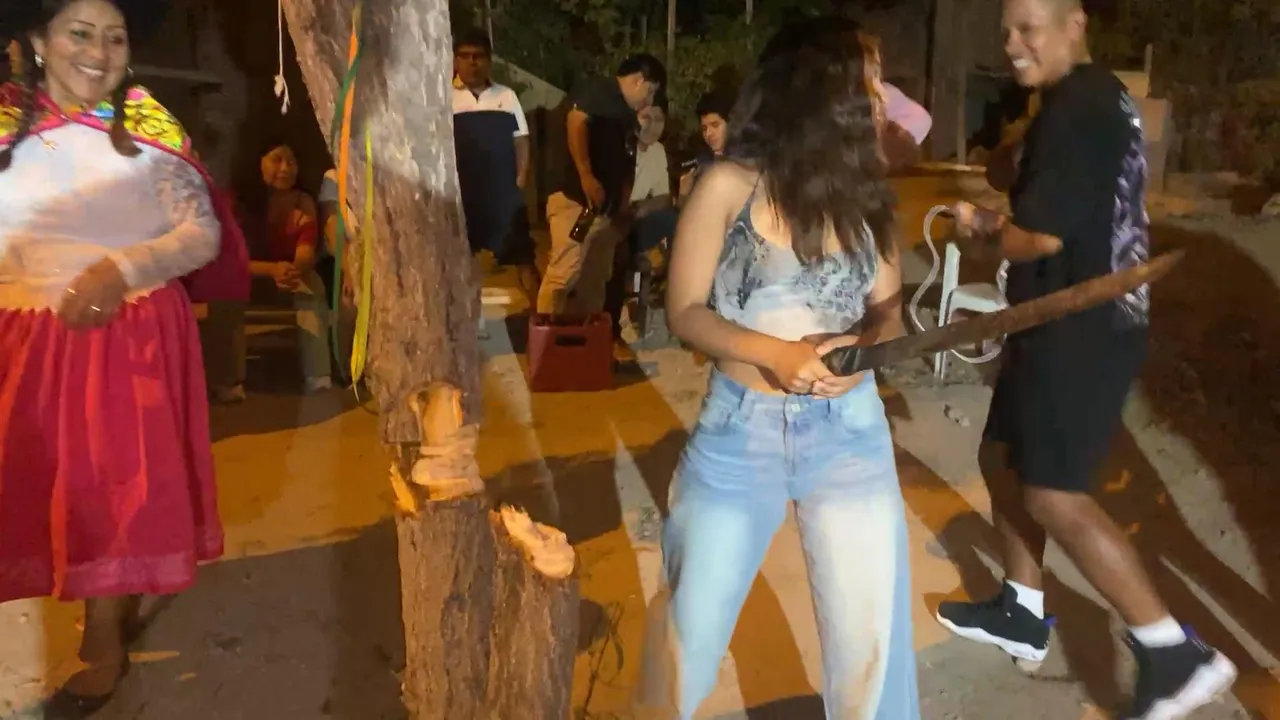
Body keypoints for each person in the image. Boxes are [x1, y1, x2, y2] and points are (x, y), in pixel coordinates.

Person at [935, 0, 1238, 717]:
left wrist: (983, 231)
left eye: (1028, 28)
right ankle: (1020, 608)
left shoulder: (1076, 107)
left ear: (1074, 24)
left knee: (1053, 492)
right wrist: (1021, 142)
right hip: (1058, 318)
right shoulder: (1085, 100)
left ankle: (1174, 654)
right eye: (1006, 31)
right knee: (1002, 455)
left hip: (1080, 324)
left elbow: (1037, 237)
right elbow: (1024, 177)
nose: (1012, 44)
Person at [651, 17, 918, 718]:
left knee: (871, 650)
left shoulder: (867, 198)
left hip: (850, 432)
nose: (883, 96)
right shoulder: (728, 186)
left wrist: (862, 353)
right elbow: (685, 311)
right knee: (685, 643)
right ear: (825, 91)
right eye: (871, 80)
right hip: (740, 433)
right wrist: (775, 353)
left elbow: (889, 312)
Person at [0, 0, 237, 712]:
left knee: (111, 495)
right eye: (80, 33)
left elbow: (200, 233)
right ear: (38, 40)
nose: (98, 52)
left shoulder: (146, 126)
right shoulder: (7, 125)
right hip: (27, 336)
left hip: (125, 336)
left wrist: (120, 271)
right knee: (42, 489)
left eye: (114, 37)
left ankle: (103, 641)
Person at [537, 53, 666, 327]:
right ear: (638, 80)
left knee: (595, 280)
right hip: (576, 202)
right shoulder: (601, 90)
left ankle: (586, 340)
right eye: (650, 91)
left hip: (604, 211)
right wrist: (586, 175)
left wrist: (622, 205)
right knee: (565, 273)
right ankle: (545, 338)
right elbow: (576, 120)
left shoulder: (624, 115)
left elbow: (627, 160)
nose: (650, 100)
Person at [450, 28, 537, 298]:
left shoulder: (506, 97)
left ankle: (540, 318)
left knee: (524, 260)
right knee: (462, 264)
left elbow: (521, 140)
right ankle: (468, 320)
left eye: (478, 56)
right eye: (465, 56)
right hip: (464, 198)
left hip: (504, 197)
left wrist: (520, 180)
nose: (472, 62)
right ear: (455, 60)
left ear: (489, 61)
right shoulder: (444, 98)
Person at [246, 142, 333, 393]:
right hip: (250, 275)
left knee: (311, 284)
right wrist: (270, 269)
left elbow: (306, 251)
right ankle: (228, 380)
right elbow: (234, 260)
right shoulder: (241, 201)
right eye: (277, 159)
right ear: (259, 162)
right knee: (225, 287)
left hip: (287, 276)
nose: (285, 168)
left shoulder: (302, 202)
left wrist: (292, 270)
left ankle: (318, 376)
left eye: (291, 161)